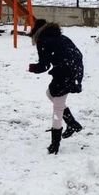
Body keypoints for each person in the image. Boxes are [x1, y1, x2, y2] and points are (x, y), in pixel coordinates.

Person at [28, 19, 84, 154]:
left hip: (65, 72)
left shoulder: (43, 40)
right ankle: (72, 123)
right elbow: (77, 54)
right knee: (50, 94)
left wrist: (31, 68)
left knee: (57, 107)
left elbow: (44, 66)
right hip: (75, 69)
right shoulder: (60, 37)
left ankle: (55, 144)